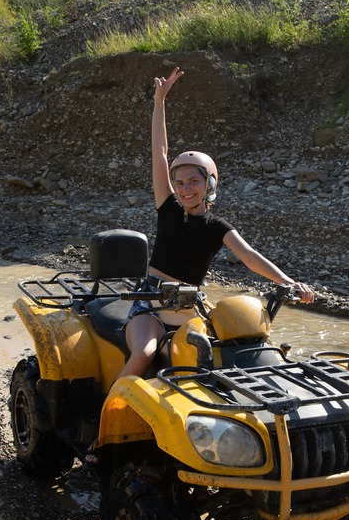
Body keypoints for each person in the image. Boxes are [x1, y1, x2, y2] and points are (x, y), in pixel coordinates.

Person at [118, 66, 315, 381]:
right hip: (151, 308)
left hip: (188, 314)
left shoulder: (216, 226)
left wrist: (287, 283)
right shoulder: (167, 207)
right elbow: (160, 152)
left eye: (193, 181)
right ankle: (109, 417)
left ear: (209, 184)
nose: (185, 189)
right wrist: (160, 101)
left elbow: (250, 256)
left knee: (219, 362)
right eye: (180, 182)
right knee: (143, 353)